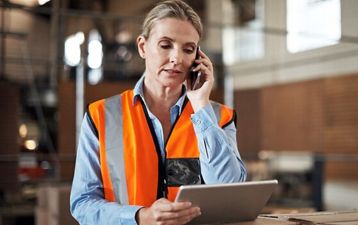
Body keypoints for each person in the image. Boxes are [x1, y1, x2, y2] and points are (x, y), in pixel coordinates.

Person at [70, 0, 247, 224]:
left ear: (198, 58)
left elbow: (229, 192)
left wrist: (201, 106)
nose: (177, 58)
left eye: (188, 49)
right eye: (165, 45)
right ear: (143, 47)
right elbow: (82, 203)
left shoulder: (220, 117)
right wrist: (139, 217)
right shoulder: (101, 115)